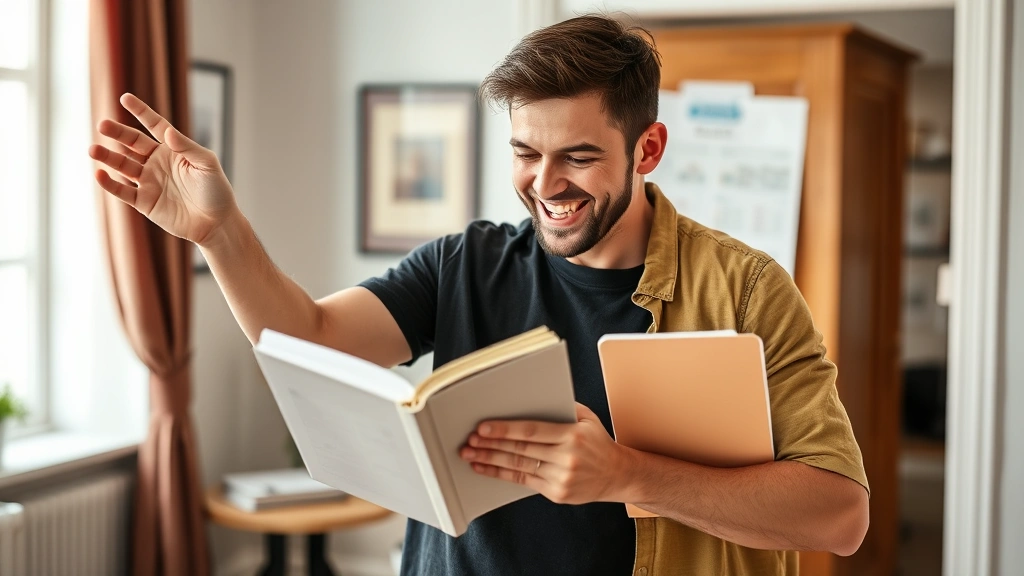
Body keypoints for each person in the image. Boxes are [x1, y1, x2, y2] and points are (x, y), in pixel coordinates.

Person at [89, 14, 869, 576]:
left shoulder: (748, 291)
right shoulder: (466, 264)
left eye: (580, 157)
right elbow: (311, 338)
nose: (547, 183)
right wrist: (219, 235)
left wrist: (628, 474)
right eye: (526, 153)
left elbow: (839, 515)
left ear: (648, 149)